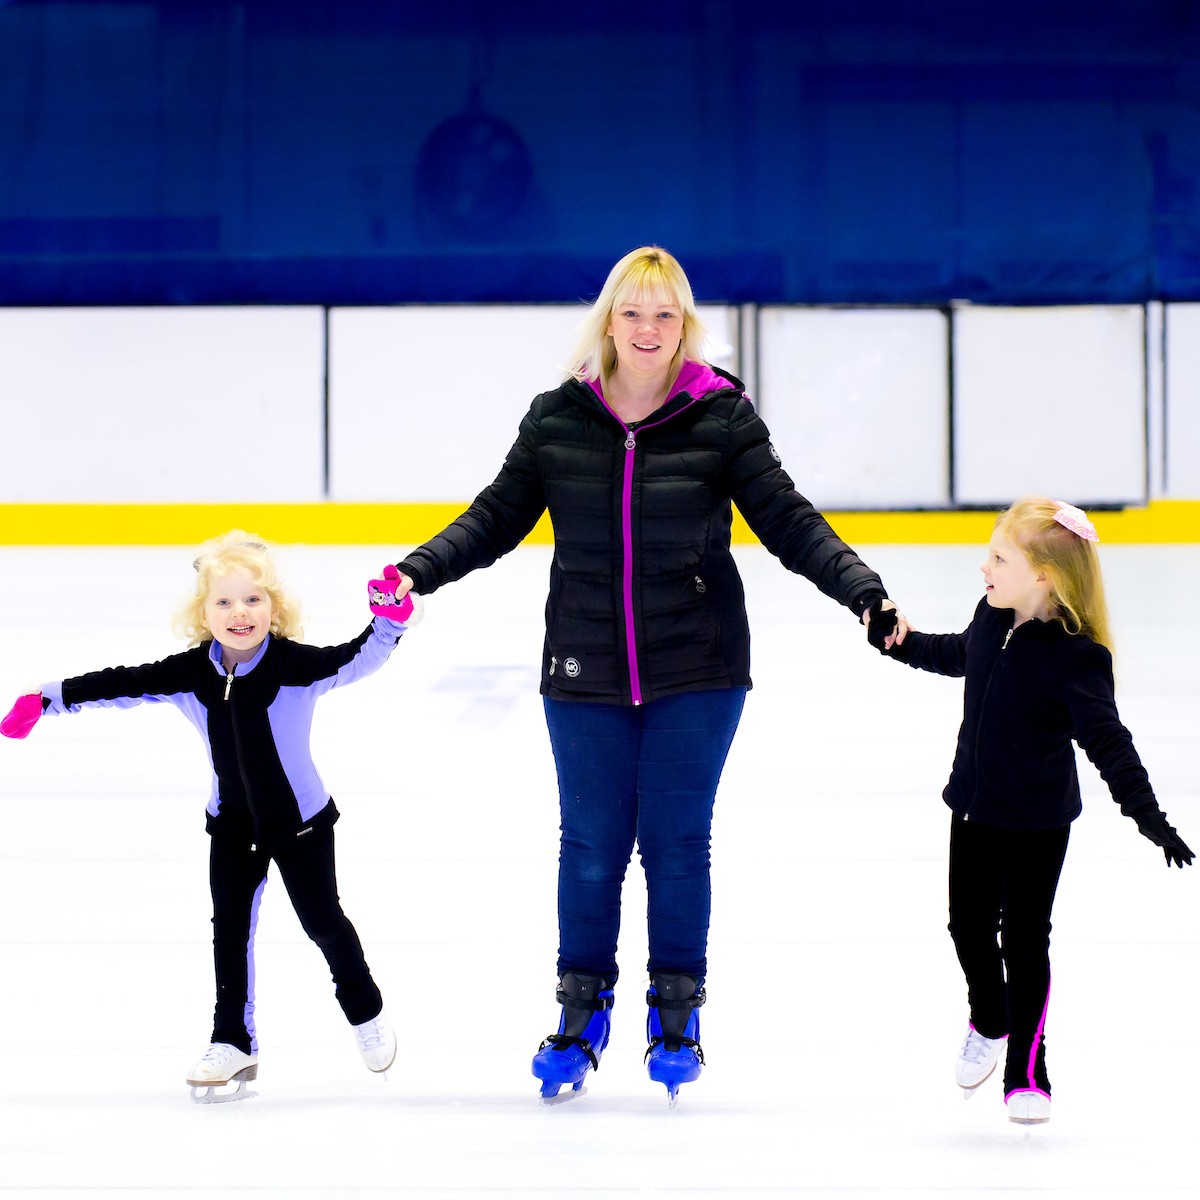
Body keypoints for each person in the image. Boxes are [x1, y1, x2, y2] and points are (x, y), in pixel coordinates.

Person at [378, 245, 907, 1104]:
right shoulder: (557, 417)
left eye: (666, 315)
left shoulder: (722, 417)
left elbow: (788, 519)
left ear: (685, 324)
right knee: (589, 849)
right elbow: (495, 517)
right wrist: (418, 569)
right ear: (608, 321)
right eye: (633, 313)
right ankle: (581, 1013)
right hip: (584, 665)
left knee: (674, 844)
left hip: (699, 666)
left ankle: (677, 1015)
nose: (649, 329)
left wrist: (862, 590)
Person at [0, 532, 422, 1102]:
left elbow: (356, 658)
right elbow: (123, 682)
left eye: (253, 600)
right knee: (230, 934)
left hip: (301, 826)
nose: (239, 613)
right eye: (224, 602)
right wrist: (48, 697)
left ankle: (365, 1011)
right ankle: (232, 1041)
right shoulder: (192, 673)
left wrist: (389, 620)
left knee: (323, 922)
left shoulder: (293, 666)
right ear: (203, 613)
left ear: (275, 608)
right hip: (232, 828)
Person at [878, 497, 1192, 1126]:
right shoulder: (993, 617)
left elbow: (1109, 742)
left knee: (1024, 942)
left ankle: (1027, 1065)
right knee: (966, 927)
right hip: (970, 806)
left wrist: (1148, 815)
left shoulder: (1076, 657)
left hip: (1037, 824)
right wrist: (901, 644)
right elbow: (958, 654)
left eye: (999, 557)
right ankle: (989, 1019)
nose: (983, 567)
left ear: (1044, 576)